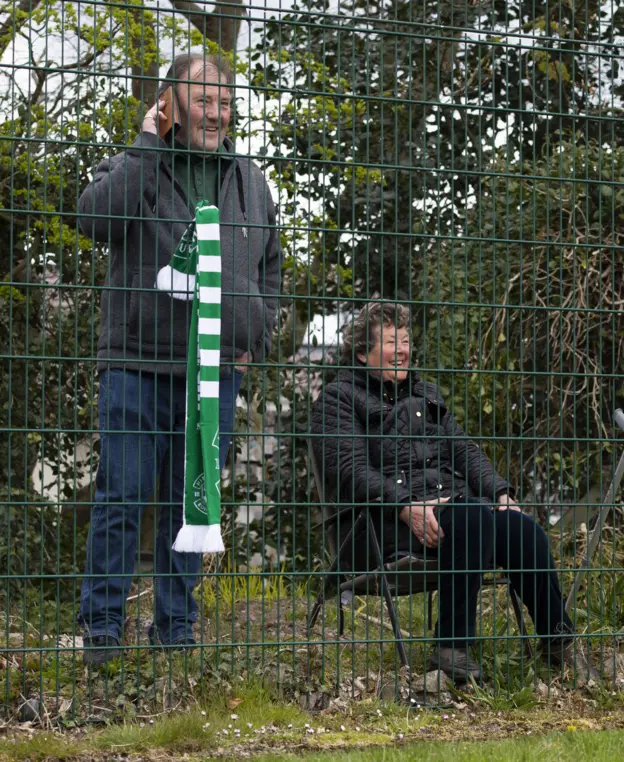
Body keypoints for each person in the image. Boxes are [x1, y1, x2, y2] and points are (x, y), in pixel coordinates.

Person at [77, 53, 281, 664]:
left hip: (216, 372)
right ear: (169, 104)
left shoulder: (248, 177)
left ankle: (175, 632)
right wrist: (145, 142)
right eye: (201, 99)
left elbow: (270, 268)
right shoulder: (137, 163)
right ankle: (103, 634)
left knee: (191, 508)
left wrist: (256, 334)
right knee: (122, 497)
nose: (215, 112)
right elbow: (96, 218)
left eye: (223, 101)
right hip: (137, 364)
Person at [310, 302, 597, 683]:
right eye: (393, 341)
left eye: (407, 340)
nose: (404, 350)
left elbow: (463, 450)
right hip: (379, 524)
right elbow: (350, 472)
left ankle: (559, 641)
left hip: (455, 513)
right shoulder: (338, 398)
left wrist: (499, 493)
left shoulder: (426, 393)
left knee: (522, 529)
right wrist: (405, 506)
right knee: (472, 517)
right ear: (363, 352)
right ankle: (451, 647)